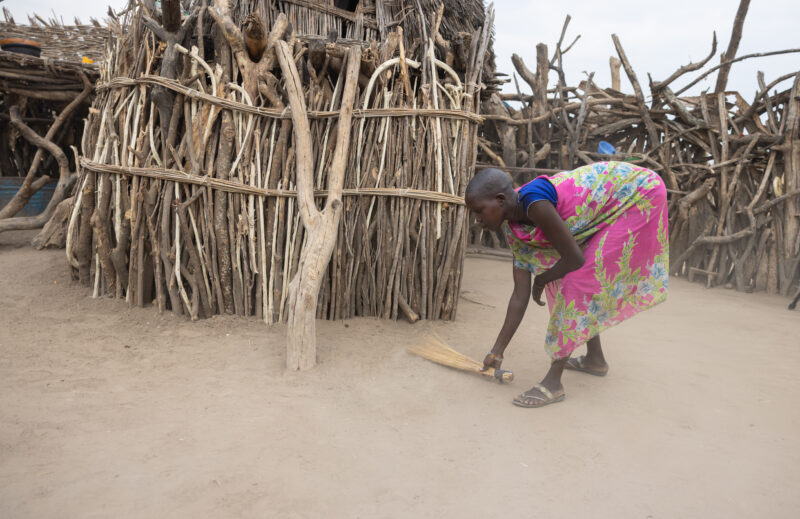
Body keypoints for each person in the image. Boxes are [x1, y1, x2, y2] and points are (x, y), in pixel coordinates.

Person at [465, 162, 669, 408]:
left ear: (499, 200)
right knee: (573, 276)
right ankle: (595, 359)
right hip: (609, 204)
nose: (477, 219)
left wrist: (542, 279)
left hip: (638, 194)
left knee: (577, 279)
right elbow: (519, 295)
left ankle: (553, 382)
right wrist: (497, 351)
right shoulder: (514, 228)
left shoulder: (535, 204)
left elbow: (574, 258)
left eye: (479, 210)